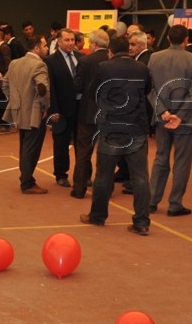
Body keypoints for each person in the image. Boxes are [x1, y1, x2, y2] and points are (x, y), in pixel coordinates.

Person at [80, 35, 152, 234]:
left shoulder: (104, 67)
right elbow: (147, 90)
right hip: (136, 127)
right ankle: (142, 222)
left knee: (104, 176)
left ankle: (98, 216)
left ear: (110, 51)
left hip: (111, 127)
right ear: (128, 49)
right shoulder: (142, 68)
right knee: (140, 178)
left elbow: (92, 93)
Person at [148, 25, 192, 217]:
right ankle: (175, 204)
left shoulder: (154, 58)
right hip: (185, 120)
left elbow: (150, 89)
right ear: (186, 40)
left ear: (168, 38)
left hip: (162, 118)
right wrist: (179, 115)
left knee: (160, 158)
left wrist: (163, 112)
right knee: (182, 162)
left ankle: (151, 200)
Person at [70, 29, 111, 199]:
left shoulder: (85, 61)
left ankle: (79, 189)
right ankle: (105, 189)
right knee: (107, 152)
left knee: (83, 151)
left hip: (88, 112)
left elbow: (77, 86)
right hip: (109, 113)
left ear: (94, 44)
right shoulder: (111, 60)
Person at [7, 37, 50, 193]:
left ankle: (25, 178)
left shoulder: (14, 63)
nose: (47, 48)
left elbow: (4, 84)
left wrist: (14, 101)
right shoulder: (40, 65)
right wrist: (44, 107)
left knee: (25, 146)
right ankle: (27, 182)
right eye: (45, 45)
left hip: (18, 110)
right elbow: (43, 88)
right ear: (36, 48)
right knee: (31, 149)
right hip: (34, 113)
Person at [45, 26, 79, 188]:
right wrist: (53, 111)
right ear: (59, 42)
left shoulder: (81, 57)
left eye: (72, 40)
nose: (71, 43)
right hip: (61, 110)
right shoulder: (50, 61)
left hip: (81, 108)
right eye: (67, 40)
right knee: (61, 144)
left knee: (82, 144)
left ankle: (83, 175)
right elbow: (50, 88)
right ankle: (61, 174)